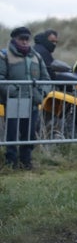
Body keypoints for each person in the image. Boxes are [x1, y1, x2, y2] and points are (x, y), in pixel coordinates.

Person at [0, 27, 51, 170]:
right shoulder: (4, 56)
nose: (24, 41)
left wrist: (40, 94)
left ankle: (26, 162)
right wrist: (14, 93)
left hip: (32, 102)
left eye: (26, 39)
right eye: (21, 39)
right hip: (14, 101)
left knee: (29, 133)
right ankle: (11, 163)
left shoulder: (37, 57)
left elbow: (46, 79)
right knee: (12, 133)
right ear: (14, 39)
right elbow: (1, 79)